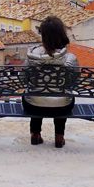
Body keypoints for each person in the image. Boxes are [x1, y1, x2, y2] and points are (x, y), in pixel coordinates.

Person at [22, 16, 79, 148]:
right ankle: (59, 137)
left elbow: (23, 78)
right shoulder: (70, 58)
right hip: (62, 108)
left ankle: (35, 134)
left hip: (33, 106)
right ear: (62, 34)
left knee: (34, 94)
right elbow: (75, 80)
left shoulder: (32, 56)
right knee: (63, 96)